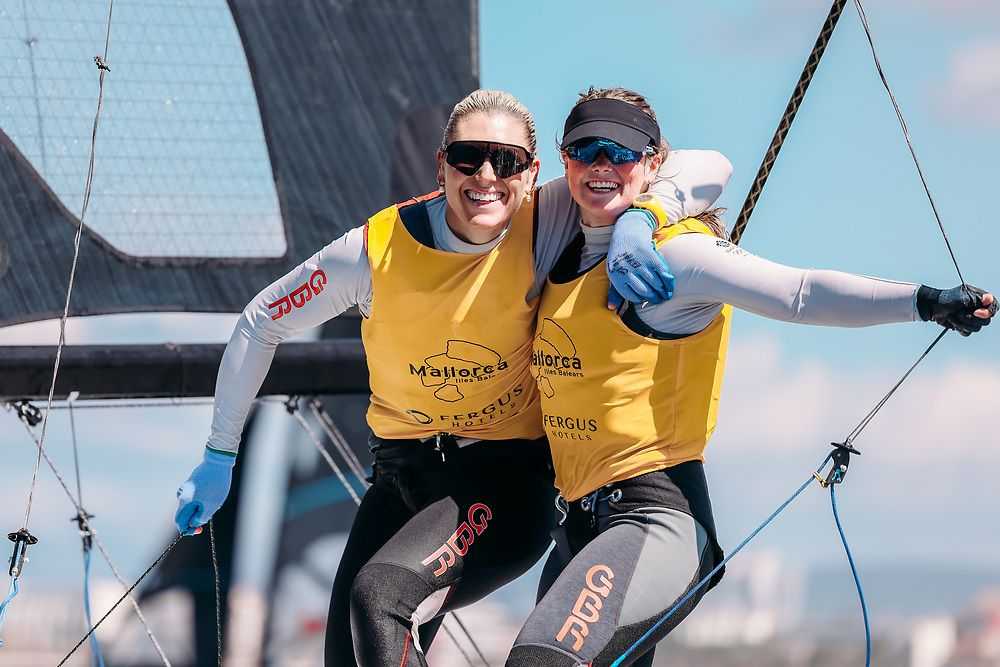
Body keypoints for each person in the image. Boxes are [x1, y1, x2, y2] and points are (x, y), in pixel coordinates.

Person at [172, 89, 734, 666]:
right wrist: (219, 455)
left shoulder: (546, 215)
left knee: (380, 598)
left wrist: (644, 217)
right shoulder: (373, 251)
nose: (487, 176)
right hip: (399, 477)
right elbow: (261, 321)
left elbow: (707, 165)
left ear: (531, 172)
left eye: (507, 161)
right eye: (469, 157)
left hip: (503, 480)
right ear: (441, 165)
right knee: (348, 652)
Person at [505, 87, 996, 667]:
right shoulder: (557, 250)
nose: (602, 165)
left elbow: (799, 293)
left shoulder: (677, 256)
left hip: (654, 521)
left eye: (622, 152)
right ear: (564, 161)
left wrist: (925, 301)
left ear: (654, 163)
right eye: (586, 150)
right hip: (577, 533)